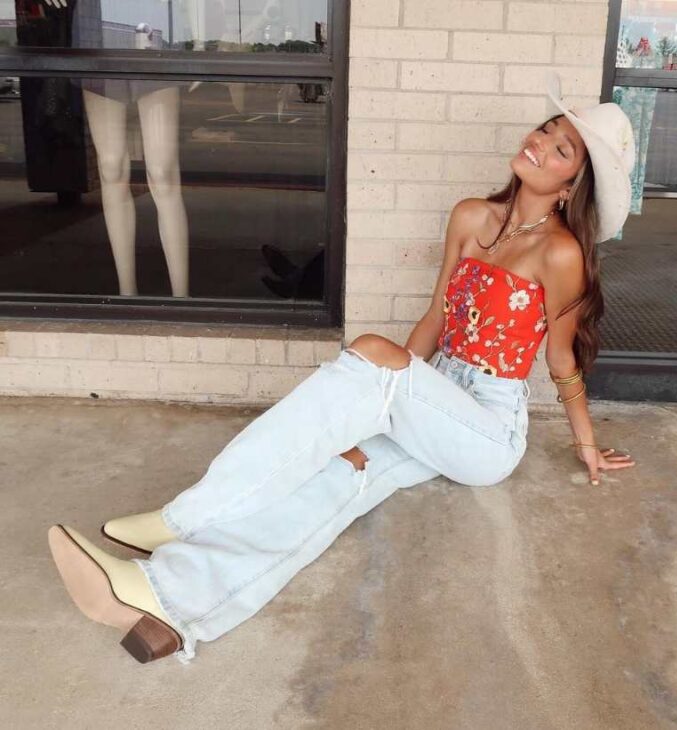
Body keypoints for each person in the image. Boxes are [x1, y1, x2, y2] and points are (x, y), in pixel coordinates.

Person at [47, 73, 637, 664]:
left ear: (570, 185)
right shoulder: (471, 216)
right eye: (546, 128)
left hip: (487, 428)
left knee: (373, 352)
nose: (540, 141)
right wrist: (380, 410)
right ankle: (165, 601)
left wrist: (585, 442)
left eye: (562, 148)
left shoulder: (561, 254)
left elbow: (560, 358)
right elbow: (435, 318)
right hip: (432, 402)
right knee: (338, 475)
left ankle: (183, 517)